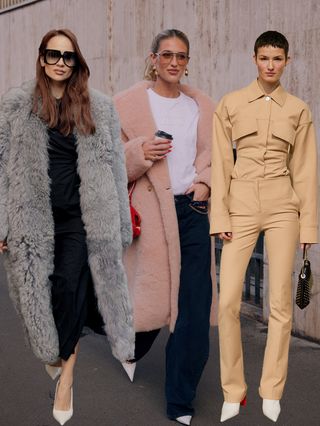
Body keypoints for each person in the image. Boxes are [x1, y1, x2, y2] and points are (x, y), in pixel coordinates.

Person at [0, 28, 134, 425]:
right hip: (33, 217)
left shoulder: (100, 108)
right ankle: (55, 356)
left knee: (68, 288)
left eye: (68, 56)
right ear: (42, 58)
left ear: (77, 62)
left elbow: (116, 168)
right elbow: (2, 168)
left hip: (80, 218)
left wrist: (120, 225)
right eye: (53, 55)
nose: (61, 62)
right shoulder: (16, 105)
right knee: (37, 297)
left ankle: (67, 378)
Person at [210, 31, 318, 423]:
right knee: (226, 302)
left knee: (280, 304)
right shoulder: (231, 104)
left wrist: (309, 227)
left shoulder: (299, 110)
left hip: (282, 206)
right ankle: (233, 390)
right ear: (253, 58)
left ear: (287, 61)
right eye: (264, 57)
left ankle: (271, 389)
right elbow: (221, 164)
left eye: (277, 58)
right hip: (240, 204)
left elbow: (305, 170)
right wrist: (219, 216)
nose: (270, 65)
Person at [114, 29, 216, 425]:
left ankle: (181, 401)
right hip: (153, 210)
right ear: (153, 58)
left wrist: (205, 182)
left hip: (193, 209)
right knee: (151, 298)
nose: (175, 62)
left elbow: (213, 156)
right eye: (167, 55)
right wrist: (140, 151)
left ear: (188, 61)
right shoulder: (127, 106)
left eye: (182, 56)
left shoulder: (201, 106)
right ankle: (129, 346)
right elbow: (109, 164)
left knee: (192, 306)